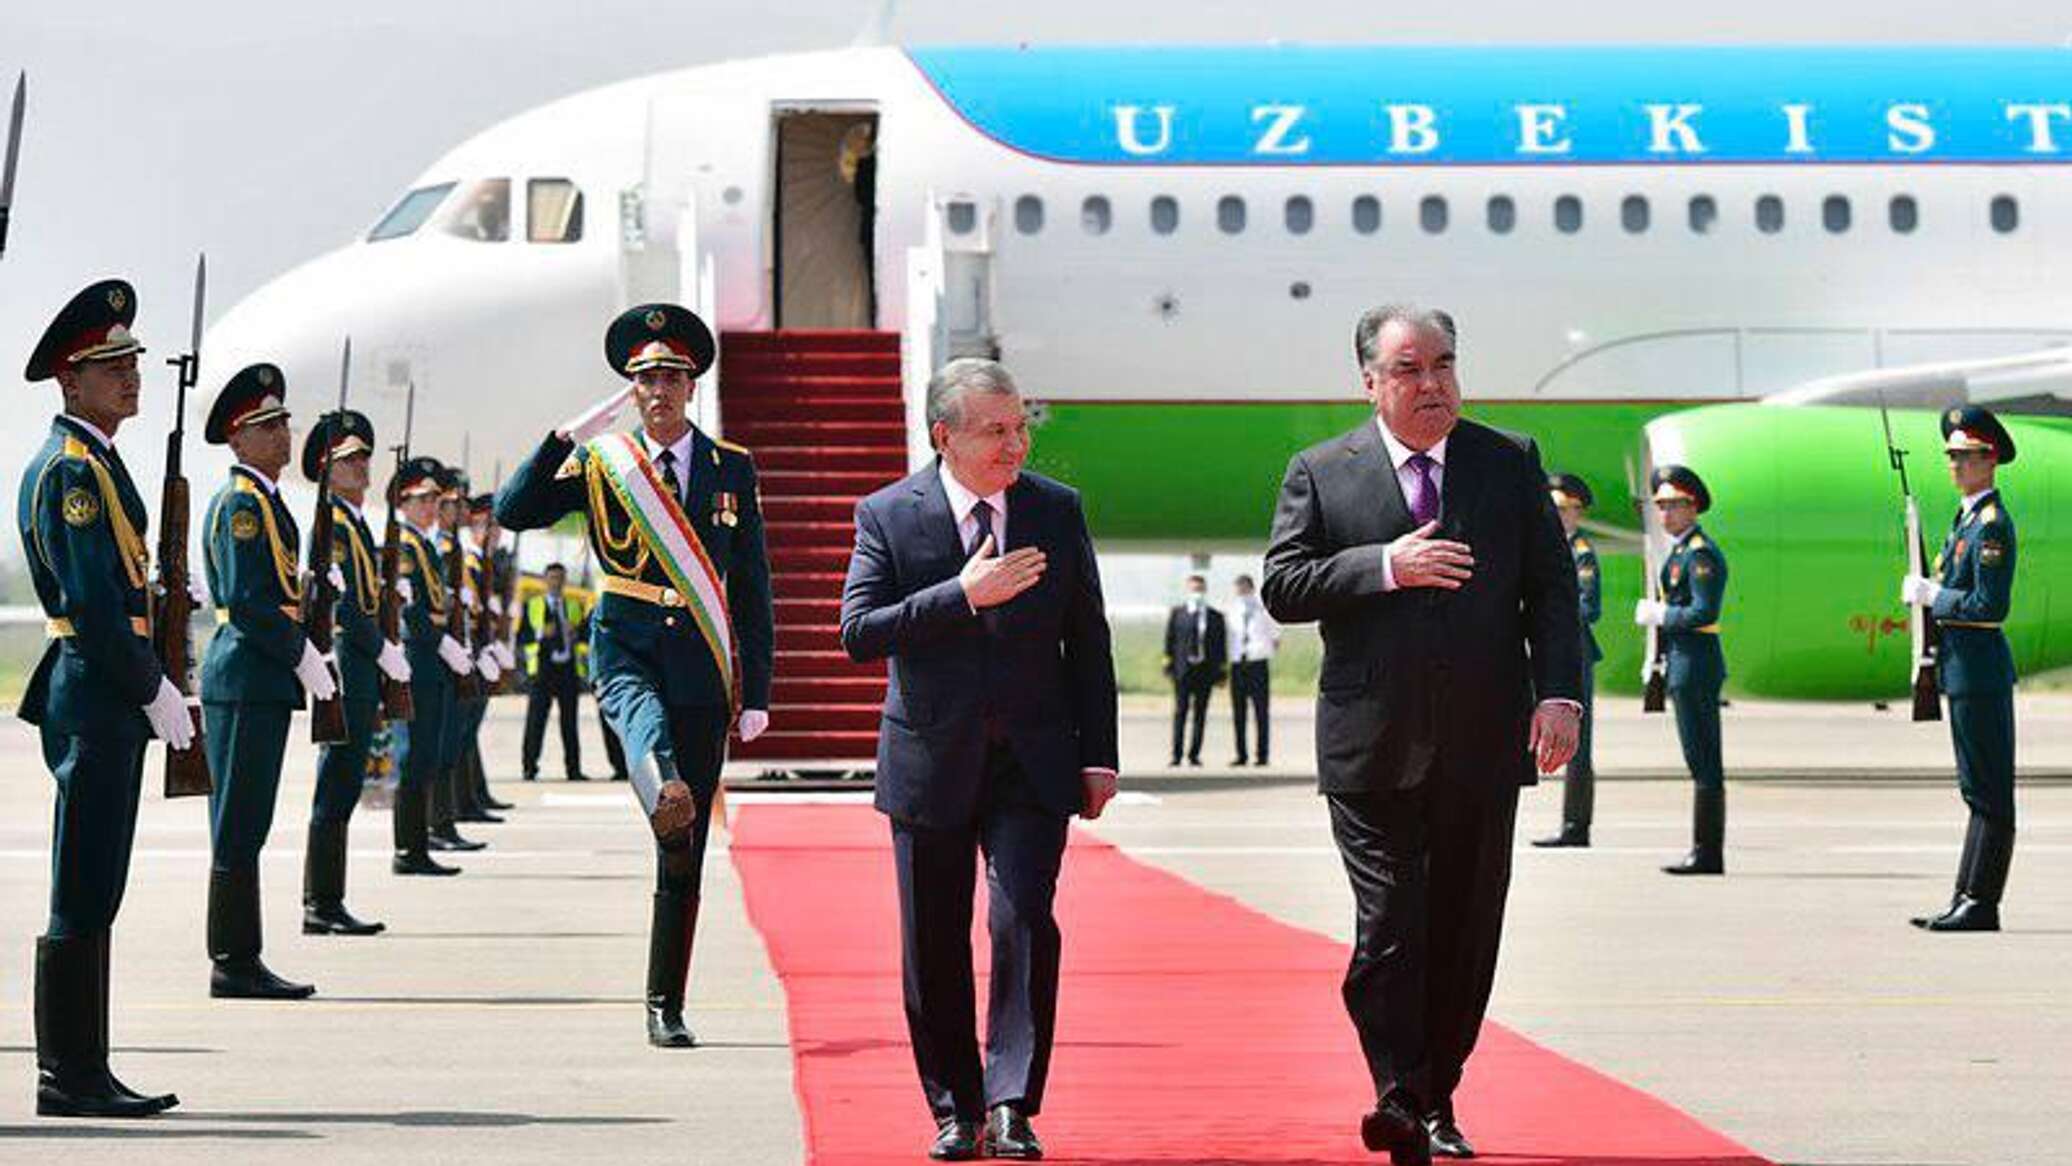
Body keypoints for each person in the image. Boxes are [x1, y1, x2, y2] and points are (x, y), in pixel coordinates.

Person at [1262, 305, 1580, 1164]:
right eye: (1409, 369)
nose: (1431, 383)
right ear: (1370, 381)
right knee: (1391, 924)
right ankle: (1398, 1094)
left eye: (1443, 365)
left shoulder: (1506, 461)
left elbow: (1551, 590)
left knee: (1466, 930)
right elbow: (1284, 586)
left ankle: (1437, 1095)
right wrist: (1384, 566)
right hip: (1370, 742)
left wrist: (1560, 696)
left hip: (1484, 736)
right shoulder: (1321, 471)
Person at [840, 357, 1119, 1162]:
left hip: (1032, 762)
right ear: (945, 436)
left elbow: (1088, 640)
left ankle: (1010, 1103)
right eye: (997, 430)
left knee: (1022, 917)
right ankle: (955, 1107)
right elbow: (859, 632)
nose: (1016, 445)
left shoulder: (1055, 510)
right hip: (929, 760)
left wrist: (1099, 756)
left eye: (1021, 426)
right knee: (932, 940)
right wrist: (964, 594)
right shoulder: (888, 514)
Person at [497, 301, 774, 1048]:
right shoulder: (601, 463)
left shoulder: (730, 468)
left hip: (702, 662)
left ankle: (664, 1003)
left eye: (671, 378)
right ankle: (662, 789)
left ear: (691, 387)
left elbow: (752, 585)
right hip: (625, 645)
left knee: (683, 853)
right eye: (646, 380)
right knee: (643, 730)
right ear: (631, 389)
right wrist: (564, 438)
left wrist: (757, 691)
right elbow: (514, 511)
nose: (658, 391)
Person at [18, 278, 182, 1115]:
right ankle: (67, 1074)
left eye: (131, 362)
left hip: (106, 693)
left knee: (99, 882)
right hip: (95, 690)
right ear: (69, 379)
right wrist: (152, 685)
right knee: (82, 884)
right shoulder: (71, 472)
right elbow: (89, 602)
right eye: (110, 365)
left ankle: (88, 1066)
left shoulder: (99, 462)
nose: (130, 376)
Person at [198, 363, 325, 1000]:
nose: (282, 435)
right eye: (267, 425)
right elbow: (248, 602)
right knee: (238, 824)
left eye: (283, 423)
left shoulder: (268, 503)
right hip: (246, 676)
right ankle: (233, 960)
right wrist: (301, 652)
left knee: (250, 822)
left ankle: (241, 956)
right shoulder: (242, 505)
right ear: (237, 438)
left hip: (260, 679)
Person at [1903, 405, 2019, 931]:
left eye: (1966, 456)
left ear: (1990, 459)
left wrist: (1936, 596)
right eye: (1951, 456)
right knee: (1975, 790)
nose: (1955, 464)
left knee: (1989, 792)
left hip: (1980, 670)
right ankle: (1965, 896)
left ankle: (1982, 902)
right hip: (1961, 669)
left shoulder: (1992, 526)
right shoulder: (1966, 520)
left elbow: (1989, 606)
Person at [301, 408, 404, 935]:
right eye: (348, 459)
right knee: (336, 786)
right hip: (347, 666)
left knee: (344, 788)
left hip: (362, 669)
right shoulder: (333, 525)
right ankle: (320, 903)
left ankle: (329, 900)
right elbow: (342, 606)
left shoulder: (356, 523)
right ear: (326, 468)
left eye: (364, 457)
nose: (361, 466)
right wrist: (382, 648)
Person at [1634, 465, 1729, 876]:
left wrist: (1662, 615)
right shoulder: (1678, 553)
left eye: (1674, 505)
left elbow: (1704, 611)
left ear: (1694, 507)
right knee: (1696, 758)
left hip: (1696, 664)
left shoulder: (1700, 554)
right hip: (1681, 662)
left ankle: (1708, 852)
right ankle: (1704, 849)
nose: (1666, 513)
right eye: (1661, 505)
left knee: (1704, 759)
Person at [388, 456, 470, 877]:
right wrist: (443, 643)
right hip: (418, 657)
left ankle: (419, 845)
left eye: (434, 499)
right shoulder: (405, 546)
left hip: (431, 658)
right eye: (421, 499)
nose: (430, 506)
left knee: (426, 756)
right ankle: (408, 849)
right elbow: (412, 612)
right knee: (413, 757)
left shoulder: (425, 546)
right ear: (402, 503)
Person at [1535, 473, 1602, 848]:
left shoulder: (1581, 553)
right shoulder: (1546, 547)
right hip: (1549, 648)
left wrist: (1551, 613)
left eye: (1564, 509)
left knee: (1578, 742)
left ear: (1578, 513)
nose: (1558, 516)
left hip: (1574, 651)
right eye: (1553, 508)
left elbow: (1590, 608)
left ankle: (1576, 824)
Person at [426, 466, 488, 851]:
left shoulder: (453, 548)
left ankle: (446, 821)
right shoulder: (438, 548)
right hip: (440, 653)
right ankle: (437, 824)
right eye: (451, 504)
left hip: (458, 649)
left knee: (451, 740)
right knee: (440, 744)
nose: (458, 510)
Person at [517, 562, 592, 780]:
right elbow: (523, 636)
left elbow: (586, 636)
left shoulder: (574, 606)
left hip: (568, 670)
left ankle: (574, 769)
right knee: (535, 721)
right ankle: (529, 767)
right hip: (542, 671)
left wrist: (575, 632)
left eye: (560, 578)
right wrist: (542, 632)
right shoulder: (532, 605)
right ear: (545, 580)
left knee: (570, 723)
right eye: (552, 578)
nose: (556, 583)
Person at [1163, 574, 1225, 767]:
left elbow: (1221, 646)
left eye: (1200, 589)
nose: (1197, 592)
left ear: (1205, 590)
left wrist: (1222, 672)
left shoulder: (1215, 616)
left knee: (1200, 713)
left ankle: (1194, 754)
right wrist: (1168, 665)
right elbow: (1169, 641)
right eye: (1194, 589)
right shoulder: (1178, 613)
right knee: (1180, 712)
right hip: (1183, 671)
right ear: (1188, 590)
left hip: (1205, 671)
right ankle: (1176, 754)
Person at [1227, 573, 1279, 767]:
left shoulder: (1264, 610)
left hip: (1257, 663)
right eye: (1238, 588)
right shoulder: (1231, 610)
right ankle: (1241, 754)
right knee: (1238, 712)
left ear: (1251, 589)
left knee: (1261, 712)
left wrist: (1262, 650)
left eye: (1244, 588)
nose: (1241, 592)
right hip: (1237, 663)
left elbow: (1276, 637)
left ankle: (1262, 754)